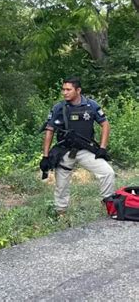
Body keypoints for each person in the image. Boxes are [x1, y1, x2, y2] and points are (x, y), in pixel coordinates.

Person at [40, 76, 115, 216]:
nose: (65, 92)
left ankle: (108, 203)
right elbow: (49, 131)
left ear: (78, 90)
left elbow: (105, 124)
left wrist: (103, 148)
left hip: (86, 150)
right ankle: (60, 212)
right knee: (61, 185)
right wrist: (45, 156)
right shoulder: (58, 108)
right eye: (63, 89)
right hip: (64, 151)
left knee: (107, 173)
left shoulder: (91, 105)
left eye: (68, 89)